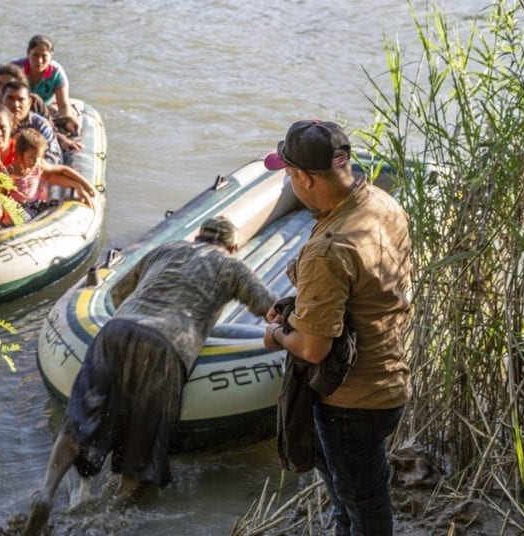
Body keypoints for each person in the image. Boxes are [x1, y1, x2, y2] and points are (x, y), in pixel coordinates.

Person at [24, 216, 277, 535]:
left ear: (197, 237)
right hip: (167, 345)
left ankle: (46, 494)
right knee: (143, 451)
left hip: (116, 331)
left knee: (78, 420)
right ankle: (105, 520)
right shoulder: (232, 267)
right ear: (232, 247)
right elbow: (270, 308)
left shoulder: (165, 250)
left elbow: (117, 295)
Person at [261, 120, 412, 536]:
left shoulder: (328, 250)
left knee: (362, 507)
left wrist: (276, 335)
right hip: (389, 378)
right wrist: (301, 298)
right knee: (356, 498)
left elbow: (311, 349)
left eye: (290, 175)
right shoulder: (381, 203)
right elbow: (365, 287)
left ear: (305, 178)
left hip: (351, 402)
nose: (290, 184)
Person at [5, 128, 94, 214]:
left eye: (39, 156)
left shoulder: (38, 164)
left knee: (56, 207)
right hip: (17, 210)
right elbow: (1, 196)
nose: (36, 161)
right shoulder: (10, 172)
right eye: (32, 158)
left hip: (35, 204)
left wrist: (82, 185)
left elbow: (61, 171)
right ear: (20, 154)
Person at [11, 34, 80, 134]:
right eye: (35, 55)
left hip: (46, 109)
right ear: (28, 54)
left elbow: (63, 105)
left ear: (51, 57)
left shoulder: (56, 73)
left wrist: (67, 121)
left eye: (44, 56)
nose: (39, 61)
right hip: (17, 109)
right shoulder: (15, 68)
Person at [1, 80, 63, 164]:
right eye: (10, 99)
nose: (15, 104)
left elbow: (52, 156)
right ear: (1, 100)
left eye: (21, 100)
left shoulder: (41, 125)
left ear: (29, 103)